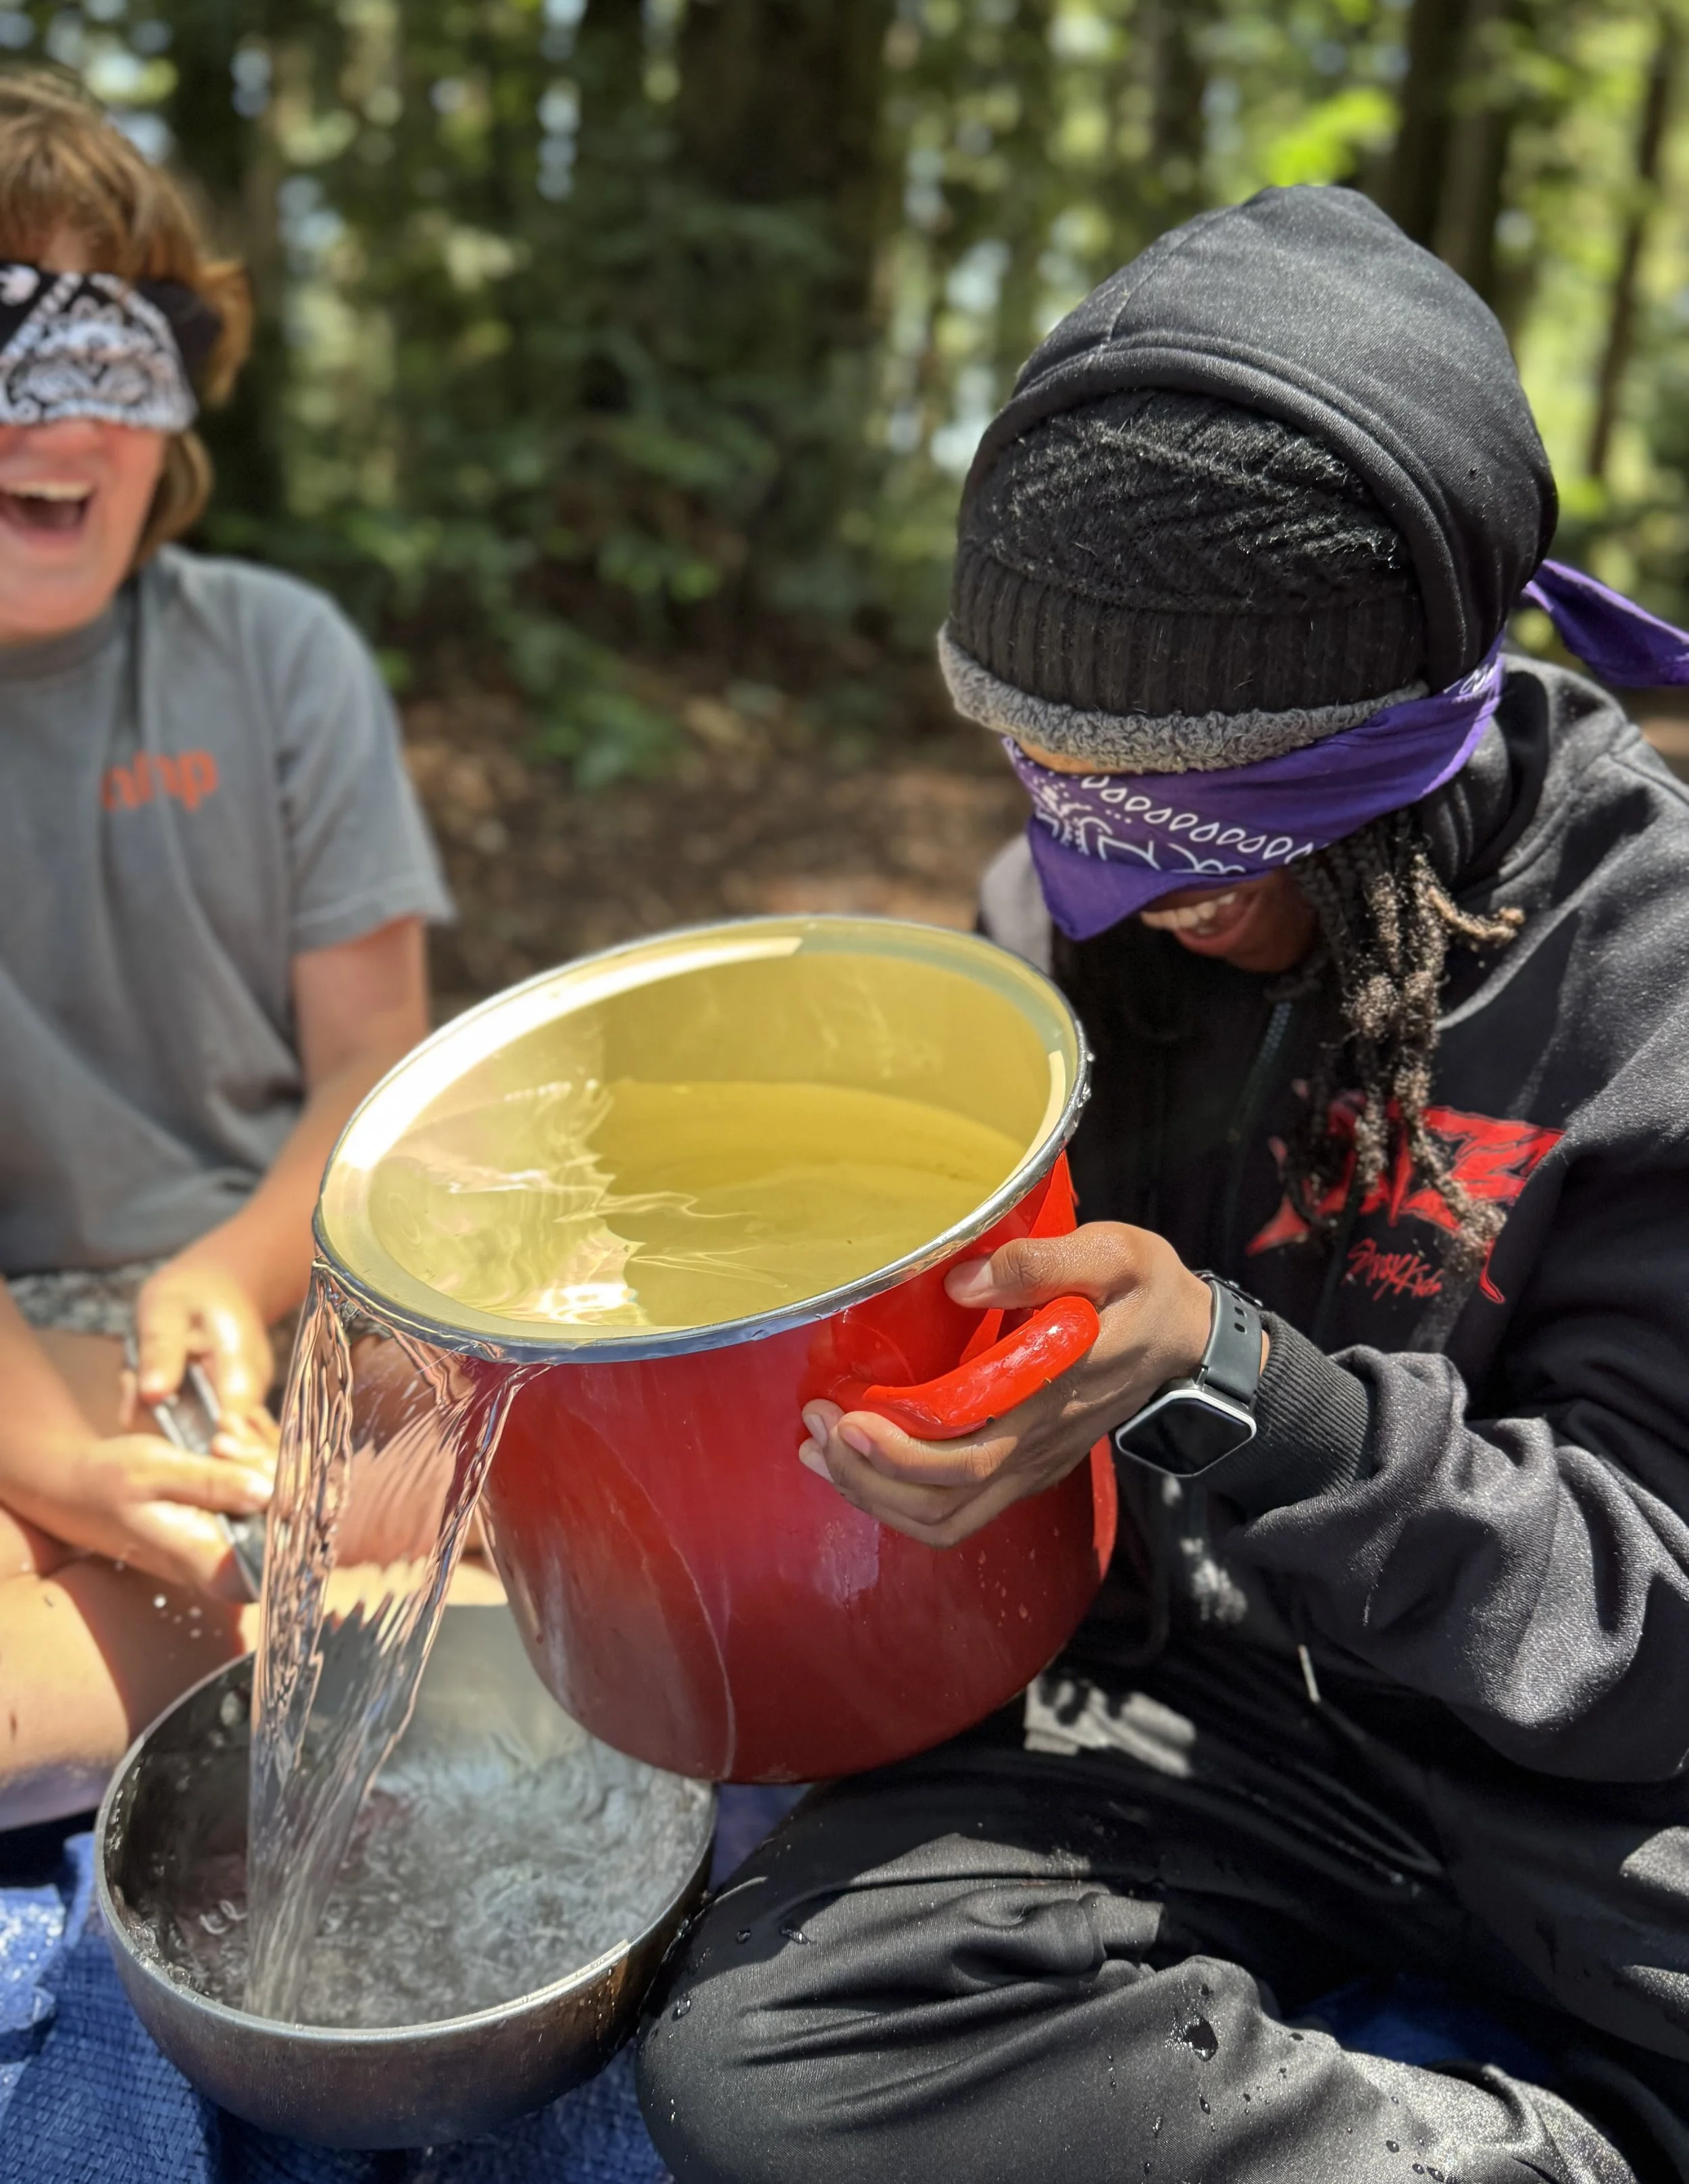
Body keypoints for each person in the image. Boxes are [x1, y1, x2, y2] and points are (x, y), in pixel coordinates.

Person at [638, 186, 1689, 2182]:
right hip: (1214, 1724)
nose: (1118, 889)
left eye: (1192, 831)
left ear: (1389, 743)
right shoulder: (1084, 930)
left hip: (1586, 1811)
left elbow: (1648, 1640)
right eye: (1051, 789)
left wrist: (1233, 1380)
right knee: (763, 2062)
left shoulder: (1653, 990)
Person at [0, 71, 454, 1829]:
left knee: (601, 1412)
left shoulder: (279, 657)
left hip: (295, 1313)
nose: (53, 412)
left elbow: (378, 1066)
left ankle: (268, 1599)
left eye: (109, 347)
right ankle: (368, 1605)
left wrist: (228, 1270)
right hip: (24, 1360)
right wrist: (70, 1459)